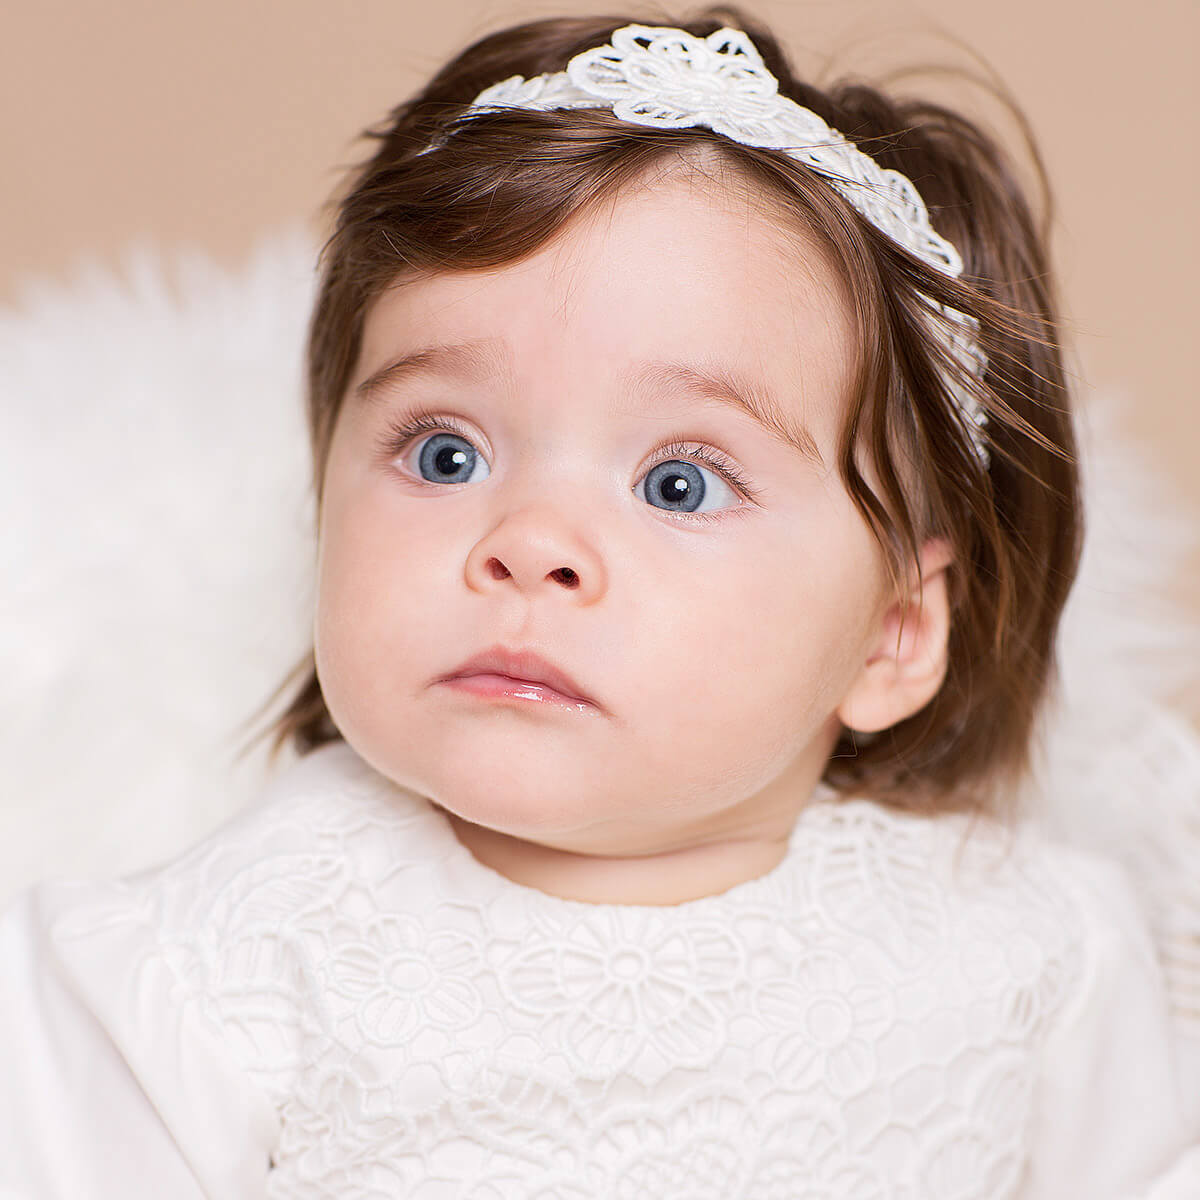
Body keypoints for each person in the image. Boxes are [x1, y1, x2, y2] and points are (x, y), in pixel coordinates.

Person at [2, 7, 1197, 1197]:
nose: (529, 544)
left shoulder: (1028, 947)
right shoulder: (212, 965)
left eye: (678, 483)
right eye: (445, 455)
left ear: (893, 633)